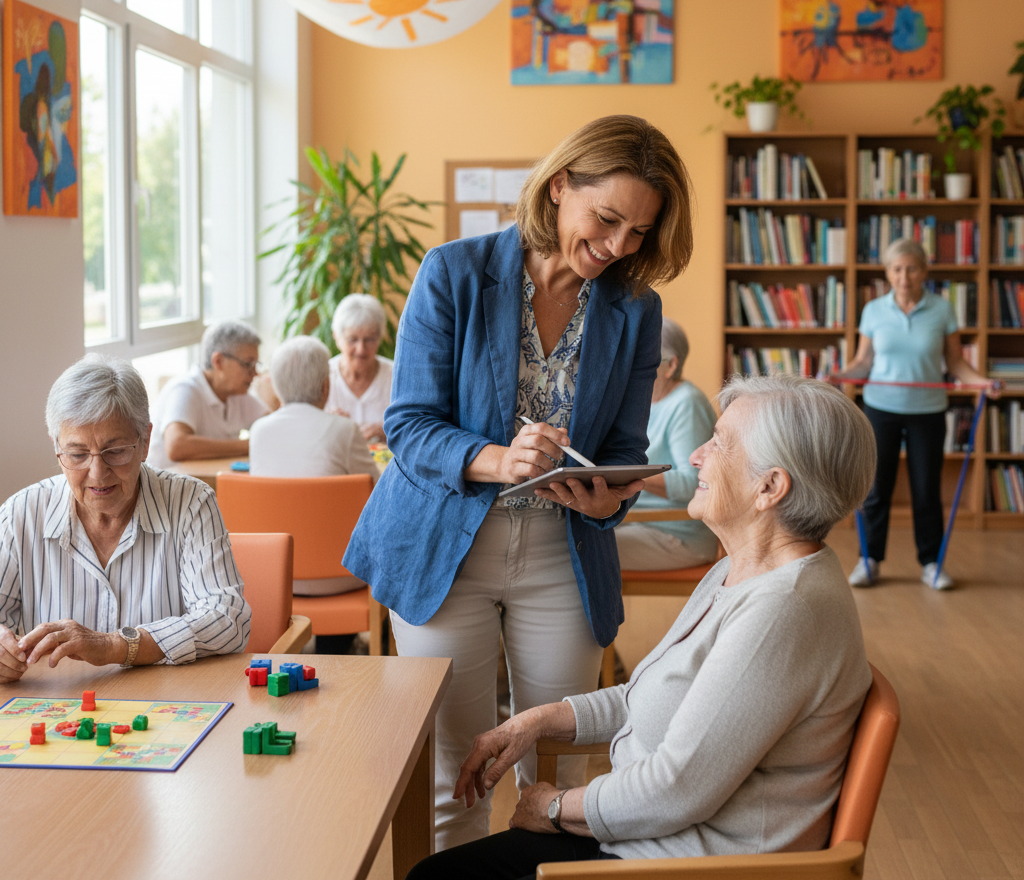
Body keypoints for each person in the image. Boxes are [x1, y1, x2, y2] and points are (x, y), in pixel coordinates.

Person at [344, 114, 694, 850]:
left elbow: (625, 447)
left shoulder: (636, 309)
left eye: (639, 233)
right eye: (606, 219)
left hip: (559, 551)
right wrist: (499, 458)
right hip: (443, 546)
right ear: (560, 185)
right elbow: (408, 425)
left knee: (554, 774)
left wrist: (607, 501)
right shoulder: (454, 272)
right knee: (455, 772)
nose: (617, 247)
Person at [406, 375, 876, 880]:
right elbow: (652, 695)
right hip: (647, 842)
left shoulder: (782, 611)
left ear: (770, 488)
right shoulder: (742, 569)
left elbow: (676, 788)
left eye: (718, 443)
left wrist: (553, 807)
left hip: (683, 866)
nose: (697, 455)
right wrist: (538, 720)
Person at [0, 356, 251, 683]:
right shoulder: (21, 513)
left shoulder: (190, 501)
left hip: (166, 710)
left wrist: (115, 645)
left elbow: (227, 619)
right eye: (77, 454)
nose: (97, 473)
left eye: (115, 451)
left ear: (145, 441)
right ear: (56, 448)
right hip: (54, 714)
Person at [835, 239, 998, 590]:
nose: (904, 277)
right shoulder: (874, 311)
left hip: (927, 412)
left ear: (924, 271)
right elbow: (863, 363)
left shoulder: (942, 310)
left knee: (926, 490)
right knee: (876, 488)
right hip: (880, 410)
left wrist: (983, 383)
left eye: (911, 269)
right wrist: (837, 377)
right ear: (887, 273)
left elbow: (955, 363)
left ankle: (931, 564)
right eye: (896, 269)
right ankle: (870, 559)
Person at [249, 336, 378, 601]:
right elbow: (378, 495)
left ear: (275, 386)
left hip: (275, 575)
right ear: (325, 386)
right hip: (342, 574)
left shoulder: (259, 432)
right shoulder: (345, 430)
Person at [614, 318, 718, 570]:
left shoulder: (686, 403)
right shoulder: (647, 402)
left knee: (575, 549)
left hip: (678, 534)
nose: (630, 367)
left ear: (671, 365)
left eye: (642, 359)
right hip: (640, 521)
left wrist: (620, 475)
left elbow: (693, 482)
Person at [148, 320, 268, 469]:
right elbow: (176, 446)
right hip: (166, 489)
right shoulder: (185, 389)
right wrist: (248, 445)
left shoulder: (237, 393)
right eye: (248, 364)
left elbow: (274, 424)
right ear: (218, 361)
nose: (255, 373)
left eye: (256, 365)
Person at [325, 294, 394, 444]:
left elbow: (414, 429)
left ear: (380, 337)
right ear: (337, 338)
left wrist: (391, 431)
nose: (361, 349)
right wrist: (325, 423)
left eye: (369, 339)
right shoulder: (323, 376)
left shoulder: (395, 376)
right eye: (352, 339)